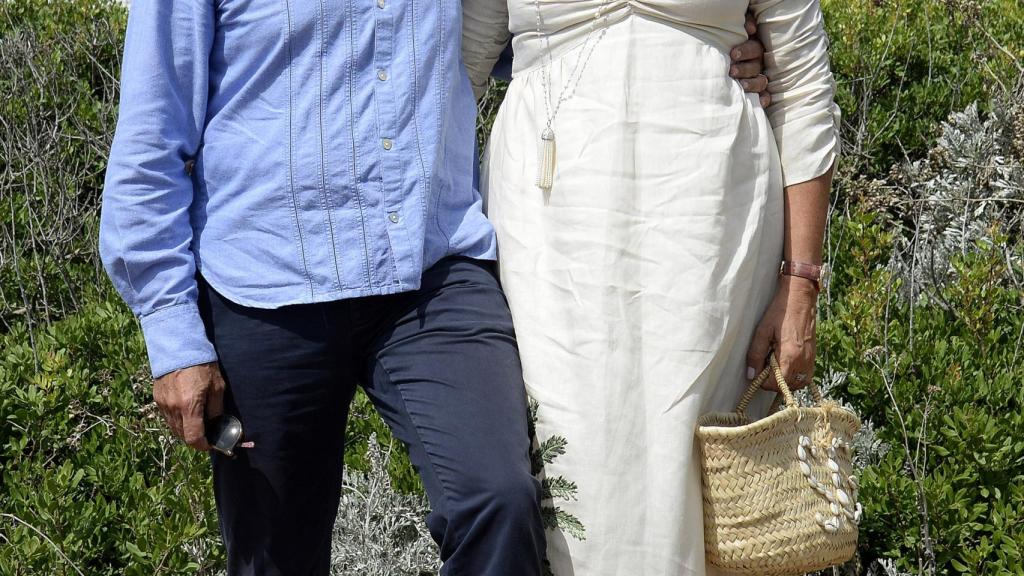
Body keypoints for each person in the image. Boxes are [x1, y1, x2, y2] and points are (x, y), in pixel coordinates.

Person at [98, 0, 771, 574]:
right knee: (276, 555)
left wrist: (702, 36)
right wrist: (172, 330)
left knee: (502, 500)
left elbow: (538, 25)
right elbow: (154, 132)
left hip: (430, 271)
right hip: (264, 284)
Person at [463, 0, 839, 574]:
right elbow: (456, 70)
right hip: (549, 229)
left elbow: (804, 85)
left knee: (697, 469)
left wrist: (802, 284)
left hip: (714, 225)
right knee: (568, 458)